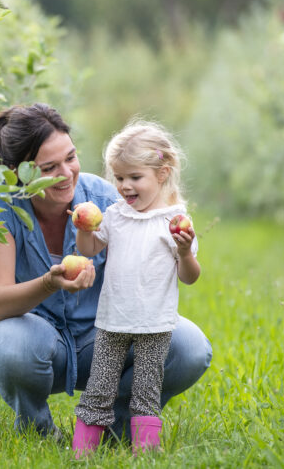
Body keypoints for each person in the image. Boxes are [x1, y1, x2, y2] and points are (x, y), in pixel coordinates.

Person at [0, 104, 212, 444]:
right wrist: (49, 282)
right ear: (18, 172)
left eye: (71, 158)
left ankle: (115, 429)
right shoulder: (0, 209)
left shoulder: (108, 198)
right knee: (8, 345)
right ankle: (38, 432)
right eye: (49, 167)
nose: (67, 173)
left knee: (189, 347)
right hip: (42, 343)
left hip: (107, 337)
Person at [70, 119, 200, 457]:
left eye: (134, 177)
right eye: (119, 177)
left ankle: (144, 454)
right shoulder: (114, 215)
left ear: (162, 173)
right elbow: (89, 250)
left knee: (146, 392)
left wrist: (185, 251)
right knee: (99, 387)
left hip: (155, 325)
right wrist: (83, 226)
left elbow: (189, 276)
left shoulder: (174, 222)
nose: (125, 186)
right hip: (112, 320)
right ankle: (82, 454)